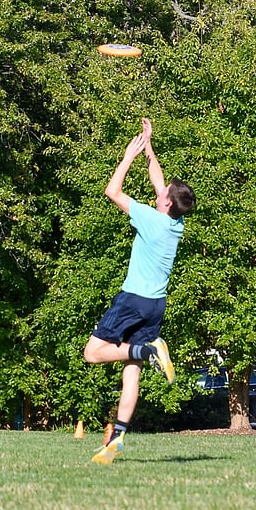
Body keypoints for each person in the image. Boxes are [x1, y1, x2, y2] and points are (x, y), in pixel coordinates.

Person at [85, 118, 195, 464]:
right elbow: (160, 181)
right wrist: (149, 146)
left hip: (133, 300)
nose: (160, 190)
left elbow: (112, 192)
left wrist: (129, 156)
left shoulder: (152, 218)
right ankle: (116, 440)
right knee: (129, 370)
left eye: (163, 193)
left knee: (93, 352)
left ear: (164, 203)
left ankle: (148, 351)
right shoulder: (175, 222)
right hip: (155, 305)